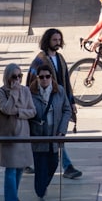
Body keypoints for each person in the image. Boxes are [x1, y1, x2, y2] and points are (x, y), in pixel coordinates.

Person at [27, 28, 82, 179]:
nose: (57, 43)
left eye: (59, 40)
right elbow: (31, 82)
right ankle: (67, 166)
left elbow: (66, 81)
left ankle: (29, 161)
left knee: (56, 135)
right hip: (44, 105)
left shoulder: (60, 58)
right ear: (47, 41)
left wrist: (71, 101)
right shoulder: (39, 60)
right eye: (54, 40)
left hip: (58, 103)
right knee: (54, 136)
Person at [0, 63, 36, 201]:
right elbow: (6, 108)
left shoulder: (25, 90)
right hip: (9, 134)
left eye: (20, 76)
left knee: (20, 168)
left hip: (23, 133)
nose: (17, 79)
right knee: (11, 169)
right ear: (7, 77)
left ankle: (14, 194)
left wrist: (19, 113)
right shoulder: (0, 92)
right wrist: (14, 93)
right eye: (14, 76)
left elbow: (32, 111)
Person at [28, 62, 71, 201]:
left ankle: (43, 185)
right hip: (38, 136)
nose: (45, 79)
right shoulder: (30, 92)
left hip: (54, 135)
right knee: (40, 166)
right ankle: (40, 192)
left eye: (47, 76)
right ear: (37, 78)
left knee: (53, 163)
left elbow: (67, 110)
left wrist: (62, 130)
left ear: (51, 77)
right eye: (42, 77)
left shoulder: (59, 91)